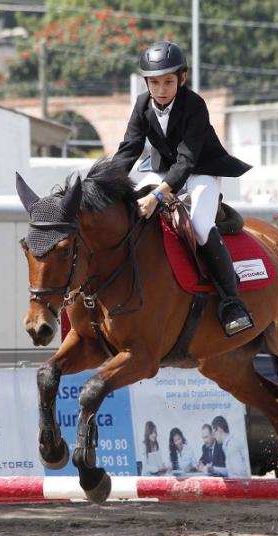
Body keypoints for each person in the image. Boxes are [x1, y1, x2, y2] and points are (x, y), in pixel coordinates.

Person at [112, 40, 255, 337]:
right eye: (154, 82)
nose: (161, 89)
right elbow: (129, 149)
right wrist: (101, 185)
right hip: (162, 171)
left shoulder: (194, 105)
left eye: (168, 81)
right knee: (131, 214)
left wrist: (157, 195)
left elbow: (187, 160)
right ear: (146, 82)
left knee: (201, 226)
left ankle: (232, 303)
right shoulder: (142, 105)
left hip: (200, 171)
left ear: (182, 78)